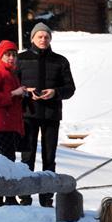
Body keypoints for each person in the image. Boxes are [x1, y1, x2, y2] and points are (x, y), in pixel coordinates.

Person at [15, 23, 76, 207]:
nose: (43, 40)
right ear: (32, 38)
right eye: (40, 36)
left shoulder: (60, 61)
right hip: (28, 113)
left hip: (51, 115)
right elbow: (13, 87)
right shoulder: (20, 59)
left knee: (50, 157)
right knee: (27, 157)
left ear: (50, 39)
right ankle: (25, 197)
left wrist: (55, 92)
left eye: (46, 37)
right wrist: (26, 91)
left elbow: (70, 88)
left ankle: (46, 198)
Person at [0, 40, 27, 207]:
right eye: (8, 55)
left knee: (8, 160)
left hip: (9, 124)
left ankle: (0, 200)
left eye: (14, 55)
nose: (12, 58)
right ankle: (6, 198)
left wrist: (22, 93)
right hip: (0, 124)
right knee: (6, 161)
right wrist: (13, 93)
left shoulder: (12, 75)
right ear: (1, 55)